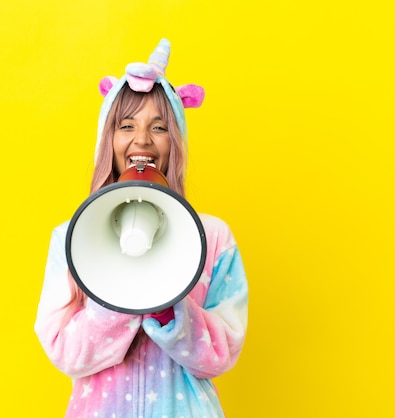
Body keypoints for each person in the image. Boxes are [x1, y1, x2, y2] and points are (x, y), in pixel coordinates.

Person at [34, 38, 248, 417]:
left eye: (159, 127)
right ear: (108, 139)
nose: (142, 139)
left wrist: (171, 312)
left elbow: (221, 353)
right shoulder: (71, 236)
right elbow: (63, 350)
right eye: (126, 125)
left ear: (175, 142)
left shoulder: (213, 238)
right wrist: (122, 293)